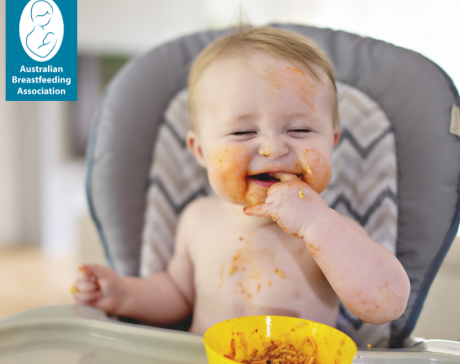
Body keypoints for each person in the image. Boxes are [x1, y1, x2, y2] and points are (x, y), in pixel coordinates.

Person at [72, 25, 410, 333]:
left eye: (300, 129)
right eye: (243, 131)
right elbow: (176, 295)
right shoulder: (197, 220)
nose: (274, 148)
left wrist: (316, 223)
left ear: (332, 143)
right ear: (201, 150)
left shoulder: (333, 233)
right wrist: (122, 294)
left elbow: (387, 304)